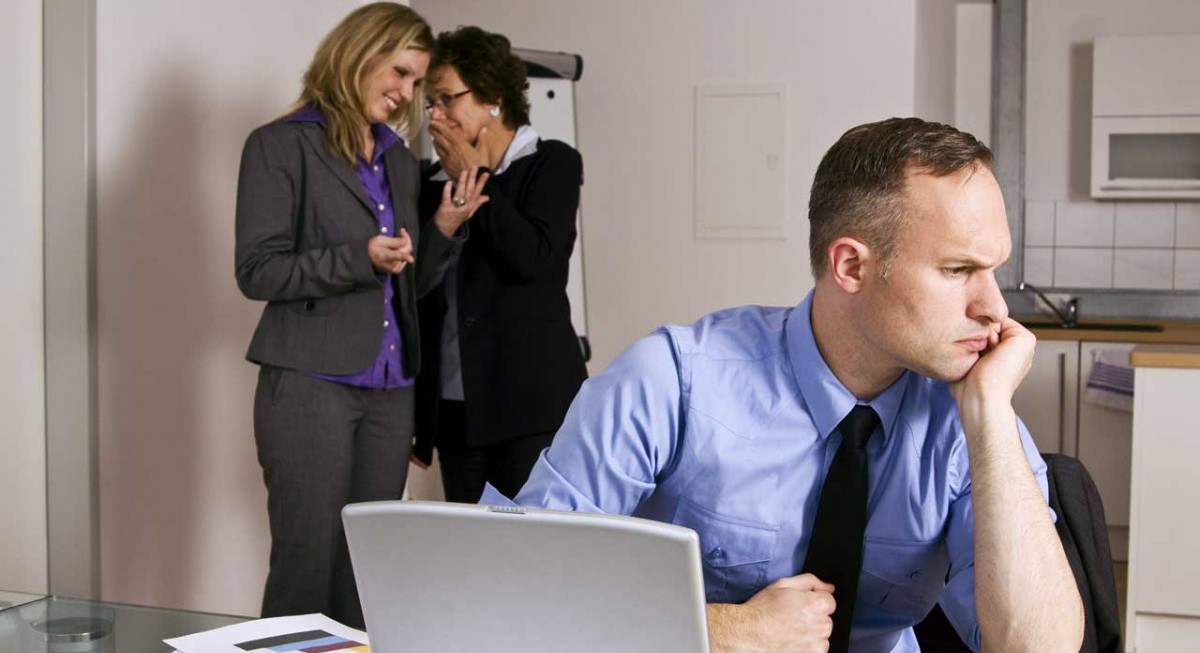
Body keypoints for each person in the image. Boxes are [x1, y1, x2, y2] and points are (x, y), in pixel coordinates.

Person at [485, 118, 1085, 652]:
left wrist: (991, 417)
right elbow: (519, 592)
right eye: (958, 270)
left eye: (994, 270)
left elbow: (1040, 649)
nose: (995, 308)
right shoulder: (672, 382)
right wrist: (720, 632)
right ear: (851, 266)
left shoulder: (968, 412)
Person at [234, 3, 489, 628]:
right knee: (306, 564)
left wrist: (441, 230)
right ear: (359, 53)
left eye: (417, 82)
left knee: (369, 570)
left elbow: (406, 283)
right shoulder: (279, 145)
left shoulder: (398, 160)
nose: (406, 93)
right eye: (400, 73)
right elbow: (257, 271)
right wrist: (359, 257)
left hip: (390, 392)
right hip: (309, 385)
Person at [411, 26, 588, 503]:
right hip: (455, 411)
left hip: (532, 406)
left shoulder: (551, 163)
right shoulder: (428, 182)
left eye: (447, 99)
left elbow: (535, 261)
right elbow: (416, 292)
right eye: (430, 103)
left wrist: (477, 176)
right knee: (468, 545)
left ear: (492, 97)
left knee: (538, 542)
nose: (435, 115)